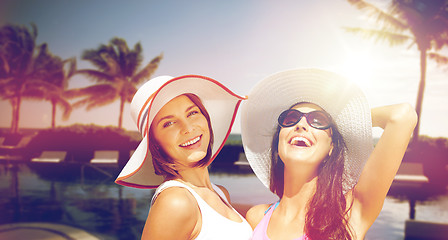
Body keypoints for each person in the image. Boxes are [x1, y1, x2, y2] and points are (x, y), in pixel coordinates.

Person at [241, 68, 417, 240]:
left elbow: (402, 116)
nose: (300, 125)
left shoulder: (350, 214)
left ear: (331, 147)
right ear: (278, 144)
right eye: (291, 118)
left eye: (318, 121)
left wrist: (341, 122)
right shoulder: (256, 217)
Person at [115, 75, 253, 239]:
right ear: (155, 144)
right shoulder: (176, 202)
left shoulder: (220, 193)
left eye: (192, 113)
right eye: (169, 123)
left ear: (206, 118)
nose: (187, 128)